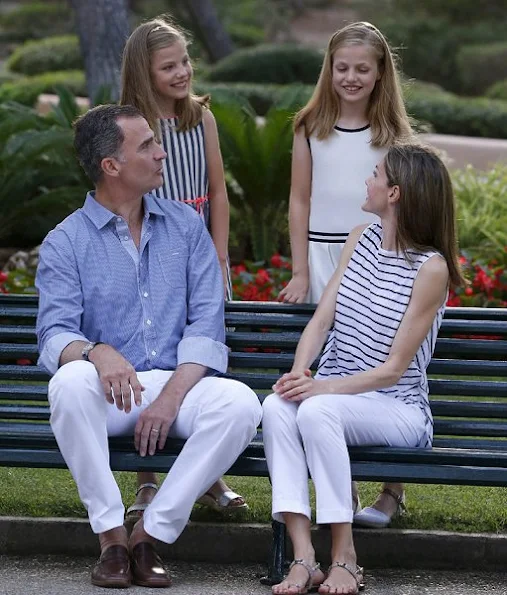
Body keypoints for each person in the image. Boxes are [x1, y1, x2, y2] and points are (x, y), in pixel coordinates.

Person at [36, 104, 262, 588]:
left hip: (176, 385)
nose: (162, 154)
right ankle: (111, 539)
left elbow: (206, 324)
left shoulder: (185, 226)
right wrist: (98, 352)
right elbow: (55, 334)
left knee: (241, 404)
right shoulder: (65, 242)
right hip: (113, 392)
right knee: (69, 383)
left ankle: (148, 535)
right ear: (110, 166)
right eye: (146, 146)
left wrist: (171, 398)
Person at [263, 143, 465, 594]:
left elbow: (393, 371)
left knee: (316, 412)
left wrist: (322, 391)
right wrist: (301, 375)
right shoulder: (360, 238)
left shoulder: (431, 269)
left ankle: (345, 557)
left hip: (396, 406)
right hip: (335, 394)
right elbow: (322, 320)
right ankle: (303, 557)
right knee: (277, 406)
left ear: (394, 193)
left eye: (375, 174)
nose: (367, 180)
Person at [278, 21, 413, 528]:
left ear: (380, 74)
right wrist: (297, 270)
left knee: (379, 358)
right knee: (334, 364)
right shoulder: (309, 126)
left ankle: (393, 489)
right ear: (328, 69)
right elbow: (299, 199)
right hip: (321, 259)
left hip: (380, 258)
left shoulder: (393, 135)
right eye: (342, 68)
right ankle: (344, 492)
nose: (351, 78)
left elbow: (406, 203)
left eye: (362, 69)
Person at [119, 16, 247, 523]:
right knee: (151, 361)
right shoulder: (129, 126)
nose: (182, 72)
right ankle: (147, 481)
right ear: (143, 72)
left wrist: (218, 257)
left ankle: (209, 477)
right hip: (150, 256)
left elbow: (217, 192)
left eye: (185, 62)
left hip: (202, 259)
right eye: (168, 66)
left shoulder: (202, 119)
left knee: (204, 361)